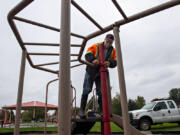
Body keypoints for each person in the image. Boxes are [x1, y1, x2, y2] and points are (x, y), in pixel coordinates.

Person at [79, 34, 117, 118]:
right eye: (107, 42)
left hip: (101, 73)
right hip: (91, 71)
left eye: (110, 43)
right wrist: (93, 60)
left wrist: (110, 63)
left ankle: (102, 111)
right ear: (105, 40)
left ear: (112, 42)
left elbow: (115, 61)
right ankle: (81, 110)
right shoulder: (96, 46)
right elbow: (88, 54)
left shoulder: (113, 50)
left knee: (101, 92)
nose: (108, 44)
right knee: (87, 90)